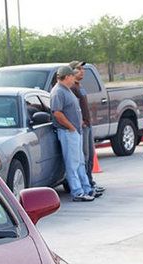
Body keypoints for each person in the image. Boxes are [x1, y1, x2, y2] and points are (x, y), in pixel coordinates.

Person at [51, 65, 99, 202]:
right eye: (72, 75)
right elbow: (57, 113)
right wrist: (71, 127)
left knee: (80, 162)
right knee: (72, 163)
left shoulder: (67, 90)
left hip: (75, 132)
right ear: (66, 77)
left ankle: (86, 188)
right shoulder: (58, 92)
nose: (74, 78)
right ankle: (77, 192)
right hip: (67, 133)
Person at [69, 60, 105, 194]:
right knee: (84, 156)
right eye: (79, 69)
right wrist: (81, 122)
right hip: (81, 126)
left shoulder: (79, 86)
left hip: (88, 124)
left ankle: (90, 182)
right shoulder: (71, 88)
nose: (82, 71)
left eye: (82, 69)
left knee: (90, 155)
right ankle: (85, 185)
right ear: (71, 71)